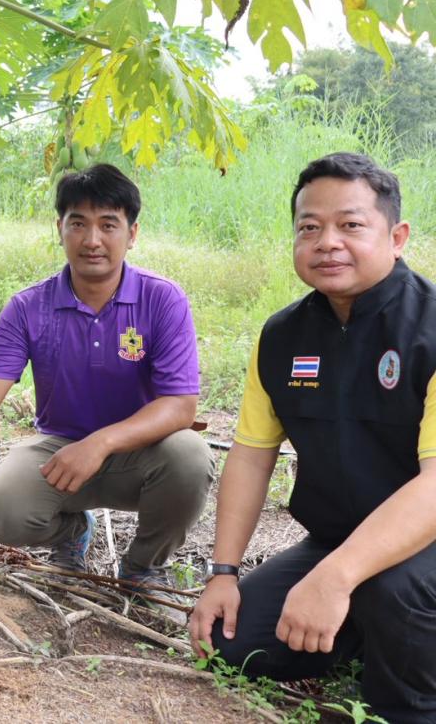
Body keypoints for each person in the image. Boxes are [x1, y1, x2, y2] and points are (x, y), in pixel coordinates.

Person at [189, 153, 436, 722]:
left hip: (425, 546)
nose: (328, 242)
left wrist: (337, 576)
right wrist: (224, 573)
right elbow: (251, 456)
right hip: (338, 539)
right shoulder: (283, 336)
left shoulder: (429, 330)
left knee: (395, 593)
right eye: (309, 227)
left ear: (397, 237)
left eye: (351, 225)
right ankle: (367, 631)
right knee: (231, 643)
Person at [0, 163, 212, 593]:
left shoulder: (162, 299)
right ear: (60, 229)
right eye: (79, 224)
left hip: (143, 453)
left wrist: (100, 443)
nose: (92, 240)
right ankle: (72, 532)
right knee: (4, 512)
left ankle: (143, 567)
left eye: (108, 225)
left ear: (132, 233)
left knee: (190, 457)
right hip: (60, 450)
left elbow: (180, 406)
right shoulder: (28, 307)